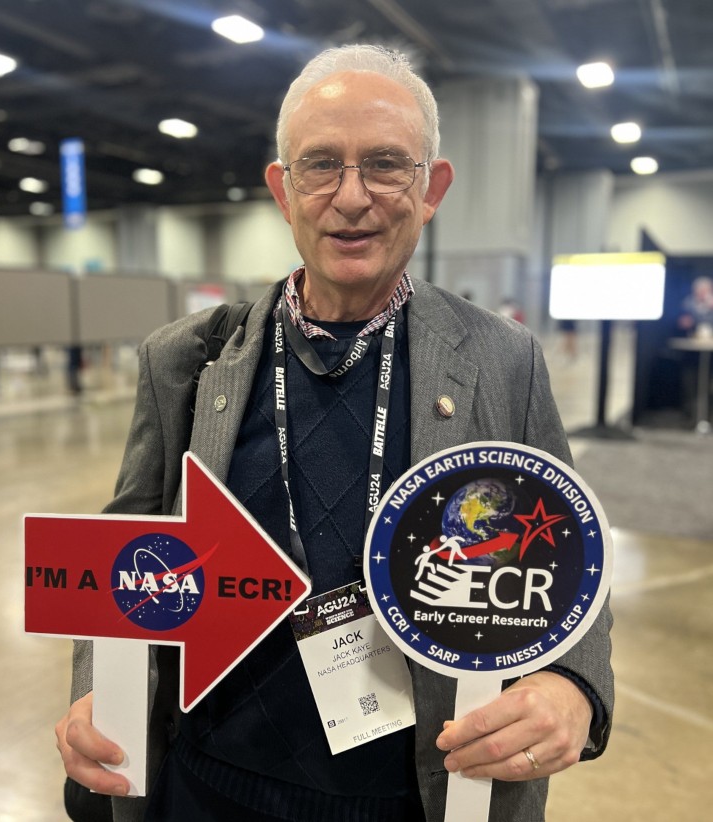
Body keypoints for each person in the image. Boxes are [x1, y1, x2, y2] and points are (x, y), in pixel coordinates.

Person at [56, 45, 613, 822]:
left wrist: (572, 686)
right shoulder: (186, 361)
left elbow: (566, 554)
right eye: (321, 165)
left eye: (386, 164)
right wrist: (97, 693)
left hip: (417, 790)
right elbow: (127, 548)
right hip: (210, 782)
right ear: (283, 191)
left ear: (431, 189)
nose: (351, 198)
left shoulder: (498, 357)